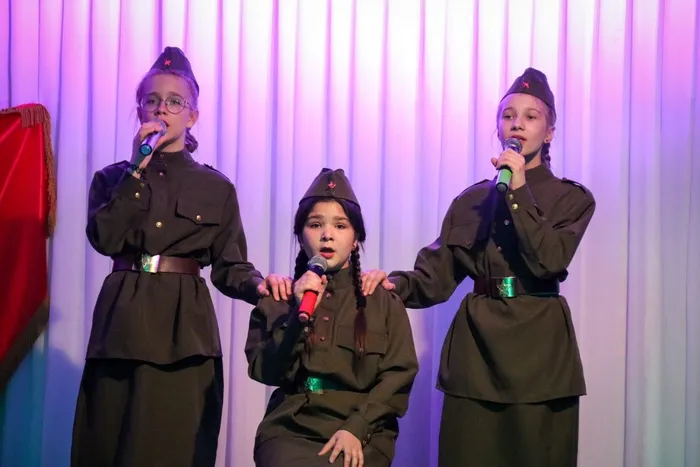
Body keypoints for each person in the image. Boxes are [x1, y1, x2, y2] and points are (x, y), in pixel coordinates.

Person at [362, 68, 596, 466]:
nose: (517, 124)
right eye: (508, 115)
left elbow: (549, 260)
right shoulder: (470, 201)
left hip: (540, 353)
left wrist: (518, 190)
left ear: (549, 133)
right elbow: (434, 279)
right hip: (477, 355)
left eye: (531, 116)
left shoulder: (570, 198)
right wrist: (390, 285)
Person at [71, 46, 280, 467]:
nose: (161, 109)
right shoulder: (111, 178)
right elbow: (104, 237)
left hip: (185, 336)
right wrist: (136, 168)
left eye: (174, 101)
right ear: (139, 110)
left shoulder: (215, 187)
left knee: (178, 449)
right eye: (152, 100)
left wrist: (261, 287)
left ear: (192, 116)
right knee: (108, 446)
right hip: (122, 331)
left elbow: (229, 266)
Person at [246, 168, 419, 467]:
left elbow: (399, 375)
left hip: (361, 427)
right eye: (315, 225)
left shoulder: (382, 300)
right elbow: (265, 372)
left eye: (340, 225)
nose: (327, 234)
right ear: (301, 237)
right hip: (292, 425)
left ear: (355, 239)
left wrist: (357, 427)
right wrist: (297, 315)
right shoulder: (279, 298)